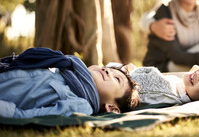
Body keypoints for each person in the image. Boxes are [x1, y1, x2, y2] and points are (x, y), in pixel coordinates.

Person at [0, 47, 139, 118]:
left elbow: (23, 116)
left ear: (112, 108)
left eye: (117, 79)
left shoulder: (81, 105)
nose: (107, 71)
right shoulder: (65, 70)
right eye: (106, 68)